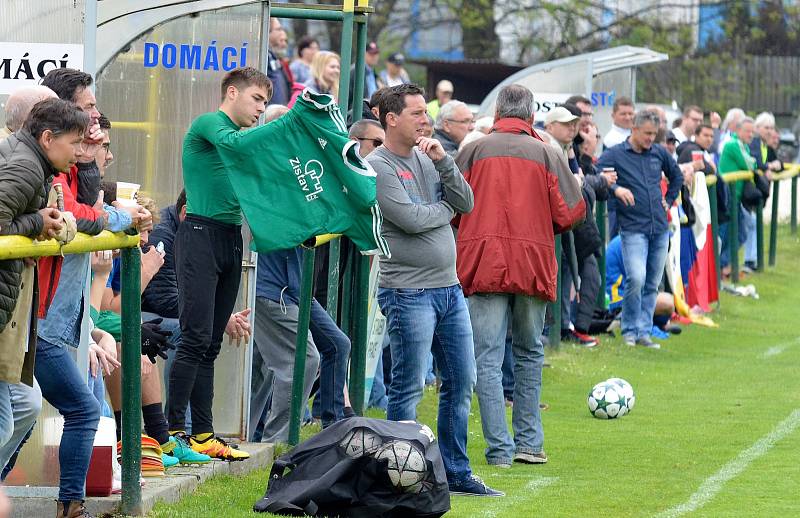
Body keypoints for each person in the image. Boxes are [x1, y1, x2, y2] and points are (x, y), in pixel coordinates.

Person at [368, 83, 501, 496]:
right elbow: (407, 218)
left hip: (448, 289)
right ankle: (400, 477)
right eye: (417, 114)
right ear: (391, 119)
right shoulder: (378, 164)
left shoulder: (430, 157)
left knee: (461, 381)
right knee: (407, 387)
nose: (426, 120)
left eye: (426, 113)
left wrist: (445, 165)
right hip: (408, 292)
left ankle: (455, 473)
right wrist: (445, 212)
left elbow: (468, 201)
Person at [37, 68, 149, 518]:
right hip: (37, 322)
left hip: (54, 324)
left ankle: (74, 502)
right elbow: (80, 217)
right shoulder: (42, 169)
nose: (96, 126)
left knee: (30, 412)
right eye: (88, 115)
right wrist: (120, 220)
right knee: (69, 409)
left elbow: (84, 212)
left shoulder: (70, 168)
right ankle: (71, 505)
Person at [455, 84, 585, 468]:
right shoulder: (547, 151)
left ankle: (500, 449)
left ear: (498, 113)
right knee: (529, 352)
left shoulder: (473, 149)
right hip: (533, 262)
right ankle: (529, 442)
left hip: (483, 262)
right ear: (531, 115)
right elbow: (570, 213)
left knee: (488, 358)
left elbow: (450, 204)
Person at [166, 67, 272, 462]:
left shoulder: (243, 137)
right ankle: (171, 433)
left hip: (230, 237)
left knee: (210, 343)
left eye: (265, 102)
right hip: (198, 235)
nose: (261, 109)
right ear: (232, 92)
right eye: (257, 99)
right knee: (194, 338)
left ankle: (203, 434)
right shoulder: (211, 123)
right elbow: (238, 146)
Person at [0, 98, 79, 481]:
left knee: (25, 404)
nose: (79, 152)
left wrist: (31, 230)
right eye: (74, 142)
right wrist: (34, 225)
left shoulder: (32, 160)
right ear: (48, 137)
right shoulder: (28, 167)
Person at [597, 110, 683, 349]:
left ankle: (643, 331)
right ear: (634, 129)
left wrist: (671, 197)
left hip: (659, 227)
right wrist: (616, 190)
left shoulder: (658, 152)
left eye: (654, 134)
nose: (650, 139)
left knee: (652, 283)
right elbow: (596, 173)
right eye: (647, 133)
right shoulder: (614, 154)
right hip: (633, 227)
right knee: (636, 277)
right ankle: (629, 330)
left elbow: (676, 176)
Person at [718, 116, 756, 278]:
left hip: (736, 197)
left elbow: (750, 163)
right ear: (738, 131)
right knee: (727, 234)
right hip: (728, 197)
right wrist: (753, 162)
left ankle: (724, 266)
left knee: (740, 233)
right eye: (747, 131)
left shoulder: (743, 146)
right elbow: (750, 164)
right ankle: (720, 268)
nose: (751, 135)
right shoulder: (733, 144)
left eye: (752, 132)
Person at [267, 18, 293, 106]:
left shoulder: (273, 58)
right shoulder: (264, 57)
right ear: (267, 30)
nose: (282, 33)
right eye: (278, 29)